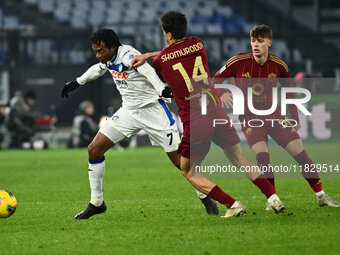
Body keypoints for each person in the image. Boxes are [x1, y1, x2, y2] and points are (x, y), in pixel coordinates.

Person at [131, 11, 286, 217]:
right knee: (239, 157)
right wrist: (151, 54)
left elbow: (164, 60)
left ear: (167, 34)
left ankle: (232, 204)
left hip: (195, 118)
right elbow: (177, 52)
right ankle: (273, 197)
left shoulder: (160, 62)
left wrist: (147, 56)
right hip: (216, 110)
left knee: (188, 170)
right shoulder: (198, 43)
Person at [62, 28, 219, 219]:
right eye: (95, 51)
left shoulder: (129, 55)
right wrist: (77, 82)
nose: (98, 55)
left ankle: (205, 196)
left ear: (113, 47)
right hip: (129, 112)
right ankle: (97, 203)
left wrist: (162, 90)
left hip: (153, 111)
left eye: (101, 51)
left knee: (180, 161)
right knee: (94, 149)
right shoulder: (108, 59)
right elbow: (98, 69)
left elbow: (148, 70)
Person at [213, 24, 339, 208]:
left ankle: (321, 196)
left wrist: (294, 116)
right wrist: (222, 93)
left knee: (300, 154)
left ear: (269, 43)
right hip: (249, 118)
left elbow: (289, 92)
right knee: (263, 158)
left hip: (274, 115)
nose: (255, 45)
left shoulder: (279, 65)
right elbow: (214, 79)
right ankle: (273, 200)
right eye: (253, 41)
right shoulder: (238, 61)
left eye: (260, 41)